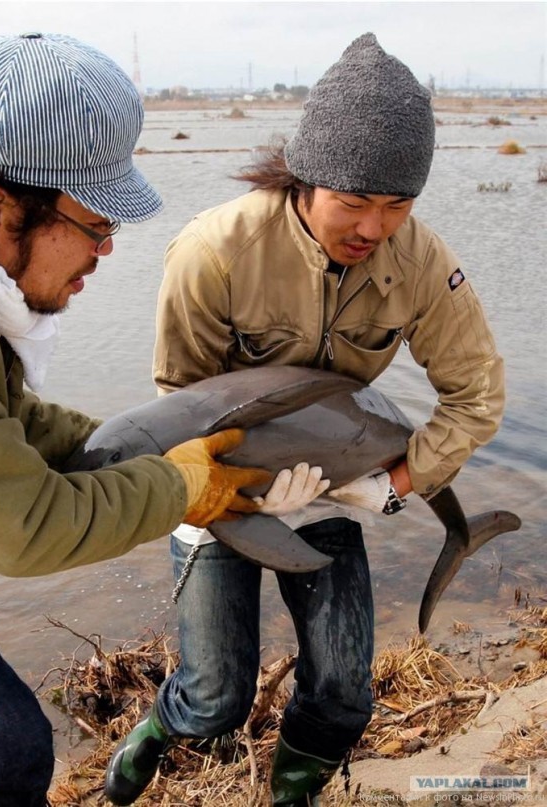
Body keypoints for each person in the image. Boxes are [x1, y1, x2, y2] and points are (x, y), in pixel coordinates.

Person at [0, 32, 324, 807]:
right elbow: (22, 527)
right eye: (96, 224)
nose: (104, 251)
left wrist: (147, 447)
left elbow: (0, 417)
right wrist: (178, 486)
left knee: (14, 749)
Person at [104, 33, 505, 806]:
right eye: (354, 203)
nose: (374, 228)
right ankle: (159, 730)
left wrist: (394, 484)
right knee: (214, 699)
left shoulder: (417, 260)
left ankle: (292, 794)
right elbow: (181, 401)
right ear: (304, 178)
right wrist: (231, 496)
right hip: (211, 484)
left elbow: (477, 393)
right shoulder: (213, 251)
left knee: (347, 691)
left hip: (332, 479)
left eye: (398, 205)